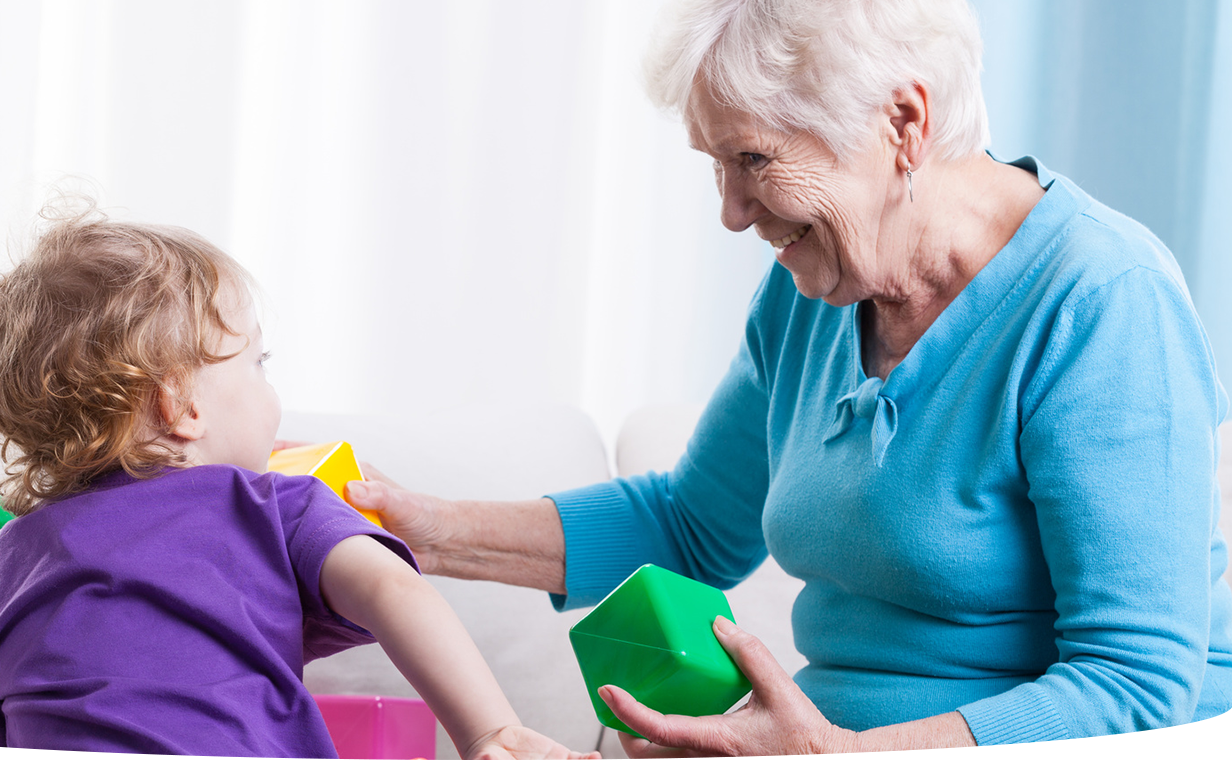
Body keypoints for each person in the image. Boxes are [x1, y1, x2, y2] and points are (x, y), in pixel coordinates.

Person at [345, 0, 1232, 756]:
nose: (731, 214)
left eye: (754, 162)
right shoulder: (814, 288)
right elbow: (693, 526)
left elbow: (1137, 691)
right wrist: (421, 532)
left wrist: (839, 755)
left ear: (904, 124)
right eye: (716, 166)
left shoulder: (1102, 303)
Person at [0, 206, 600, 760]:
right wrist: (490, 730)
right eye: (258, 361)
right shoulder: (272, 507)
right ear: (180, 407)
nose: (269, 386)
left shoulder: (4, 565)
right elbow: (394, 588)